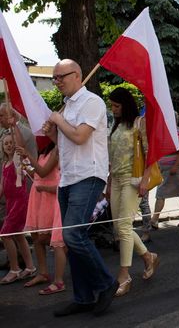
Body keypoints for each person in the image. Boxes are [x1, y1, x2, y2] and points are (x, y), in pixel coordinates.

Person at [42, 59, 117, 317]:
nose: (57, 82)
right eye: (54, 78)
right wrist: (52, 132)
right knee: (71, 239)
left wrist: (57, 120)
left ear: (76, 75)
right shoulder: (67, 106)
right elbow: (65, 142)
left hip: (88, 175)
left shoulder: (92, 102)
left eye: (60, 77)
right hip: (68, 178)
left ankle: (106, 283)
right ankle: (83, 297)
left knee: (74, 235)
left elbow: (80, 136)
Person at [107, 87, 159, 297]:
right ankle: (148, 257)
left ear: (126, 105)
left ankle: (124, 275)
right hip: (116, 179)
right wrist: (109, 182)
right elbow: (113, 157)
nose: (113, 109)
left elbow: (149, 153)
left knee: (124, 227)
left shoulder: (139, 123)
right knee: (120, 228)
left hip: (133, 180)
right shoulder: (116, 125)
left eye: (116, 105)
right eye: (112, 105)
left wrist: (145, 180)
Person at [17, 140, 67, 295]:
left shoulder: (56, 150)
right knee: (36, 237)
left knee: (51, 238)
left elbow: (44, 172)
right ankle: (43, 273)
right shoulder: (42, 152)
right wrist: (26, 164)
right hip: (38, 195)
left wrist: (28, 155)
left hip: (50, 196)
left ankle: (60, 277)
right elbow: (37, 173)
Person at [0, 134, 35, 284]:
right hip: (10, 202)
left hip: (20, 201)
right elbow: (2, 185)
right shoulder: (4, 163)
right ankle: (30, 267)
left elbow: (31, 171)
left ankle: (14, 269)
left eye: (11, 143)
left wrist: (23, 161)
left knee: (5, 234)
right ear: (2, 147)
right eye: (5, 143)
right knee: (19, 235)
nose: (8, 145)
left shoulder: (18, 160)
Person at [150, 112, 179, 228]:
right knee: (161, 193)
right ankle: (155, 219)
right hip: (164, 168)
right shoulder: (161, 132)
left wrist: (175, 166)